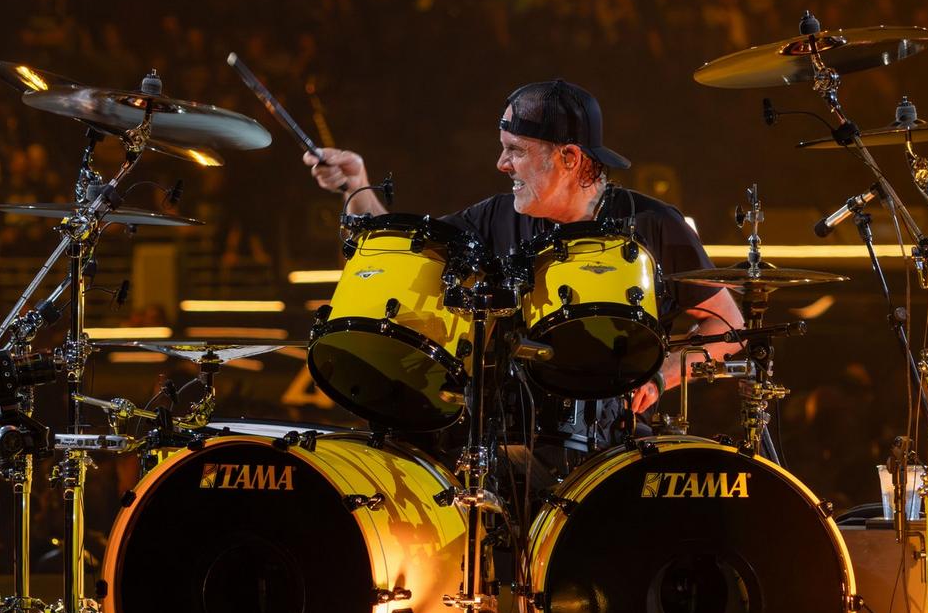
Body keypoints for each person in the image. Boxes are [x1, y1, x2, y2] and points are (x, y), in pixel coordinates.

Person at [304, 79, 742, 435]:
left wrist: (663, 375)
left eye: (516, 150)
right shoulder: (493, 217)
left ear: (569, 157)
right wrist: (355, 184)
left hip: (612, 443)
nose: (501, 163)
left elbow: (729, 328)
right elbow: (404, 251)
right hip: (498, 439)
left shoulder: (654, 224)